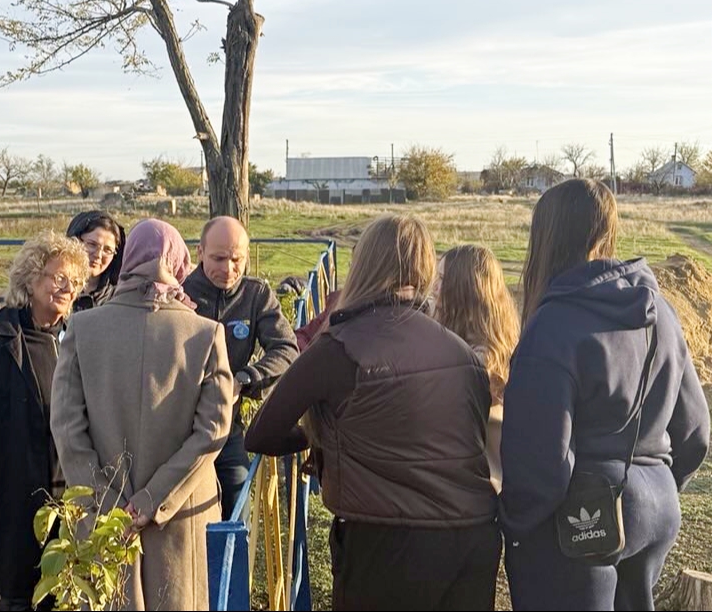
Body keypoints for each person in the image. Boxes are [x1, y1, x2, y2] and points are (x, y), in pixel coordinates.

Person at [245, 214, 500, 610]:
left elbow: (261, 434)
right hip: (472, 536)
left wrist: (322, 437)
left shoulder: (340, 346)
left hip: (385, 543)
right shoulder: (460, 351)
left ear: (362, 264)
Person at [500, 179, 710, 611]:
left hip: (583, 520)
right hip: (657, 506)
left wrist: (511, 523)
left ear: (547, 239)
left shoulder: (554, 327)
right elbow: (697, 431)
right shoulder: (661, 311)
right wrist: (656, 485)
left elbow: (541, 461)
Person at [51, 219, 233, 610]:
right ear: (179, 261)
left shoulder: (81, 328)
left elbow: (66, 428)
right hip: (180, 511)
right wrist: (152, 500)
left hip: (102, 517)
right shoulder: (205, 333)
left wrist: (107, 502)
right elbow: (213, 430)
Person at [0, 230, 90, 611]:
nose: (67, 287)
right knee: (19, 596)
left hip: (68, 499)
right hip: (13, 501)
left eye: (74, 281)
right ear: (30, 279)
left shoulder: (76, 341)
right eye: (58, 277)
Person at [182, 216, 298, 520]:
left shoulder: (256, 294)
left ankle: (233, 566)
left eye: (237, 259)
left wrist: (244, 379)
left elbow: (286, 348)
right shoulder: (180, 296)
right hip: (179, 433)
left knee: (238, 505)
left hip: (227, 429)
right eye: (219, 258)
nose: (229, 269)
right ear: (200, 252)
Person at [432, 245, 520, 493]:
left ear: (463, 292)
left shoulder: (478, 361)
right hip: (484, 489)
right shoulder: (496, 345)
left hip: (481, 493)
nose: (434, 289)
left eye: (441, 281)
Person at [65, 210, 126, 312]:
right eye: (92, 244)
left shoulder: (119, 297)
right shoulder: (56, 291)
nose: (98, 255)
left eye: (107, 250)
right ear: (74, 241)